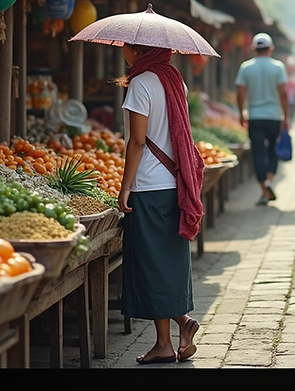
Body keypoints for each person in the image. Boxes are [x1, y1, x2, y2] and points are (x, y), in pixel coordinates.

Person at [116, 42, 204, 364]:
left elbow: (138, 140)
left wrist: (125, 187)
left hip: (148, 186)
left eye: (126, 45)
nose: (122, 49)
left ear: (138, 49)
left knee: (151, 264)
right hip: (173, 184)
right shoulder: (174, 78)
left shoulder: (140, 83)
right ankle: (176, 328)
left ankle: (166, 343)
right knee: (167, 261)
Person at [235, 32, 290, 205]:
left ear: (253, 49)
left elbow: (240, 93)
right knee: (272, 150)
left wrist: (241, 112)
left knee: (258, 153)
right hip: (274, 116)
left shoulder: (246, 67)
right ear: (271, 48)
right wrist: (286, 116)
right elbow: (283, 93)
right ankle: (269, 181)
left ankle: (264, 189)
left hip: (255, 116)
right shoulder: (278, 67)